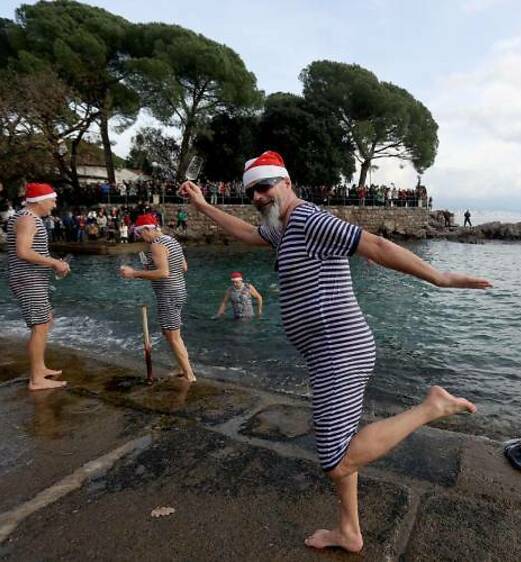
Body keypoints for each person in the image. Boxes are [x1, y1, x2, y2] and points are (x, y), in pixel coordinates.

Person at [179, 150, 490, 553]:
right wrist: (203, 205)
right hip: (326, 351)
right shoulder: (282, 226)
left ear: (286, 183)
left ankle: (431, 407)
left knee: (336, 459)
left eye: (264, 186)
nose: (257, 196)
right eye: (251, 190)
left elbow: (375, 245)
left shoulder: (308, 219)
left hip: (340, 349)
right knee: (341, 442)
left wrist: (441, 278)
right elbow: (244, 232)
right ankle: (349, 530)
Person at [6, 183, 71, 390]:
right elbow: (23, 252)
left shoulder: (25, 217)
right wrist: (54, 263)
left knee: (46, 321)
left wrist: (54, 263)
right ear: (39, 201)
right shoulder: (27, 219)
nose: (54, 204)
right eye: (52, 200)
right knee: (40, 326)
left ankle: (40, 368)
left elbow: (30, 252)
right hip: (28, 279)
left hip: (31, 277)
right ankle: (36, 379)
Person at [119, 214, 196, 382]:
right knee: (172, 333)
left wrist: (134, 273)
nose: (140, 238)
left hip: (168, 293)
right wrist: (151, 266)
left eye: (140, 234)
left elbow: (163, 273)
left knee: (172, 334)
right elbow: (183, 267)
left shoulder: (156, 245)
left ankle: (189, 375)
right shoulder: (172, 240)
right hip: (179, 290)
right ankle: (182, 367)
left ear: (147, 229)